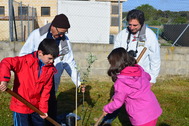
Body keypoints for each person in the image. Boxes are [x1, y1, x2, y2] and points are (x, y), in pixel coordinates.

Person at [19, 14, 81, 125]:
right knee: (34, 107)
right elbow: (23, 55)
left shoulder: (64, 41)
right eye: (60, 32)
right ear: (53, 26)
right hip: (35, 79)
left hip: (51, 79)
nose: (62, 35)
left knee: (50, 104)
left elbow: (70, 62)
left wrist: (79, 82)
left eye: (64, 33)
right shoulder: (36, 35)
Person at [102, 9, 161, 125]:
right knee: (118, 98)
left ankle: (140, 118)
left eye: (135, 25)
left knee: (137, 102)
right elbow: (116, 55)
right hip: (124, 76)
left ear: (142, 23)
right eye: (129, 24)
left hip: (141, 76)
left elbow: (155, 59)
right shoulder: (122, 35)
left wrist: (153, 78)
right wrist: (118, 75)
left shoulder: (150, 36)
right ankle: (107, 119)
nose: (132, 27)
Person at [0, 38, 59, 126]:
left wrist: (43, 109)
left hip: (36, 107)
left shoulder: (50, 69)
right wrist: (4, 80)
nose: (52, 61)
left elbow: (46, 91)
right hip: (20, 106)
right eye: (50, 58)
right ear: (40, 53)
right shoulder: (24, 61)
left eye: (53, 59)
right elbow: (6, 62)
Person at [102, 47, 162, 126]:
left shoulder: (121, 83)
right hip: (153, 109)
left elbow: (117, 103)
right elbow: (148, 77)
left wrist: (107, 109)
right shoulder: (139, 70)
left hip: (141, 117)